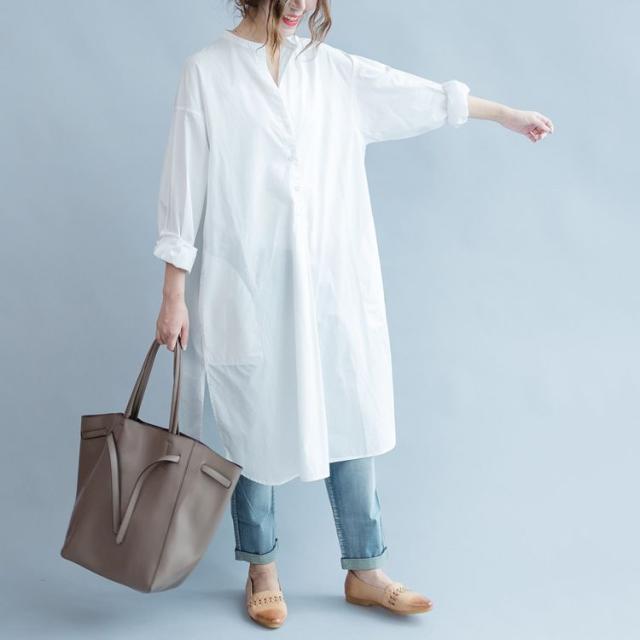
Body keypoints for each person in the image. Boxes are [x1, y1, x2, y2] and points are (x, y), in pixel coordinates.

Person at [153, 0, 554, 629]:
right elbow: (184, 184)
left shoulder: (330, 71)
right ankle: (261, 567)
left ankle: (365, 570)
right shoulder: (207, 72)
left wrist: (505, 114)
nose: (300, 6)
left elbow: (419, 97)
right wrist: (174, 293)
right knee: (249, 420)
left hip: (329, 285)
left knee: (350, 411)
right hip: (247, 285)